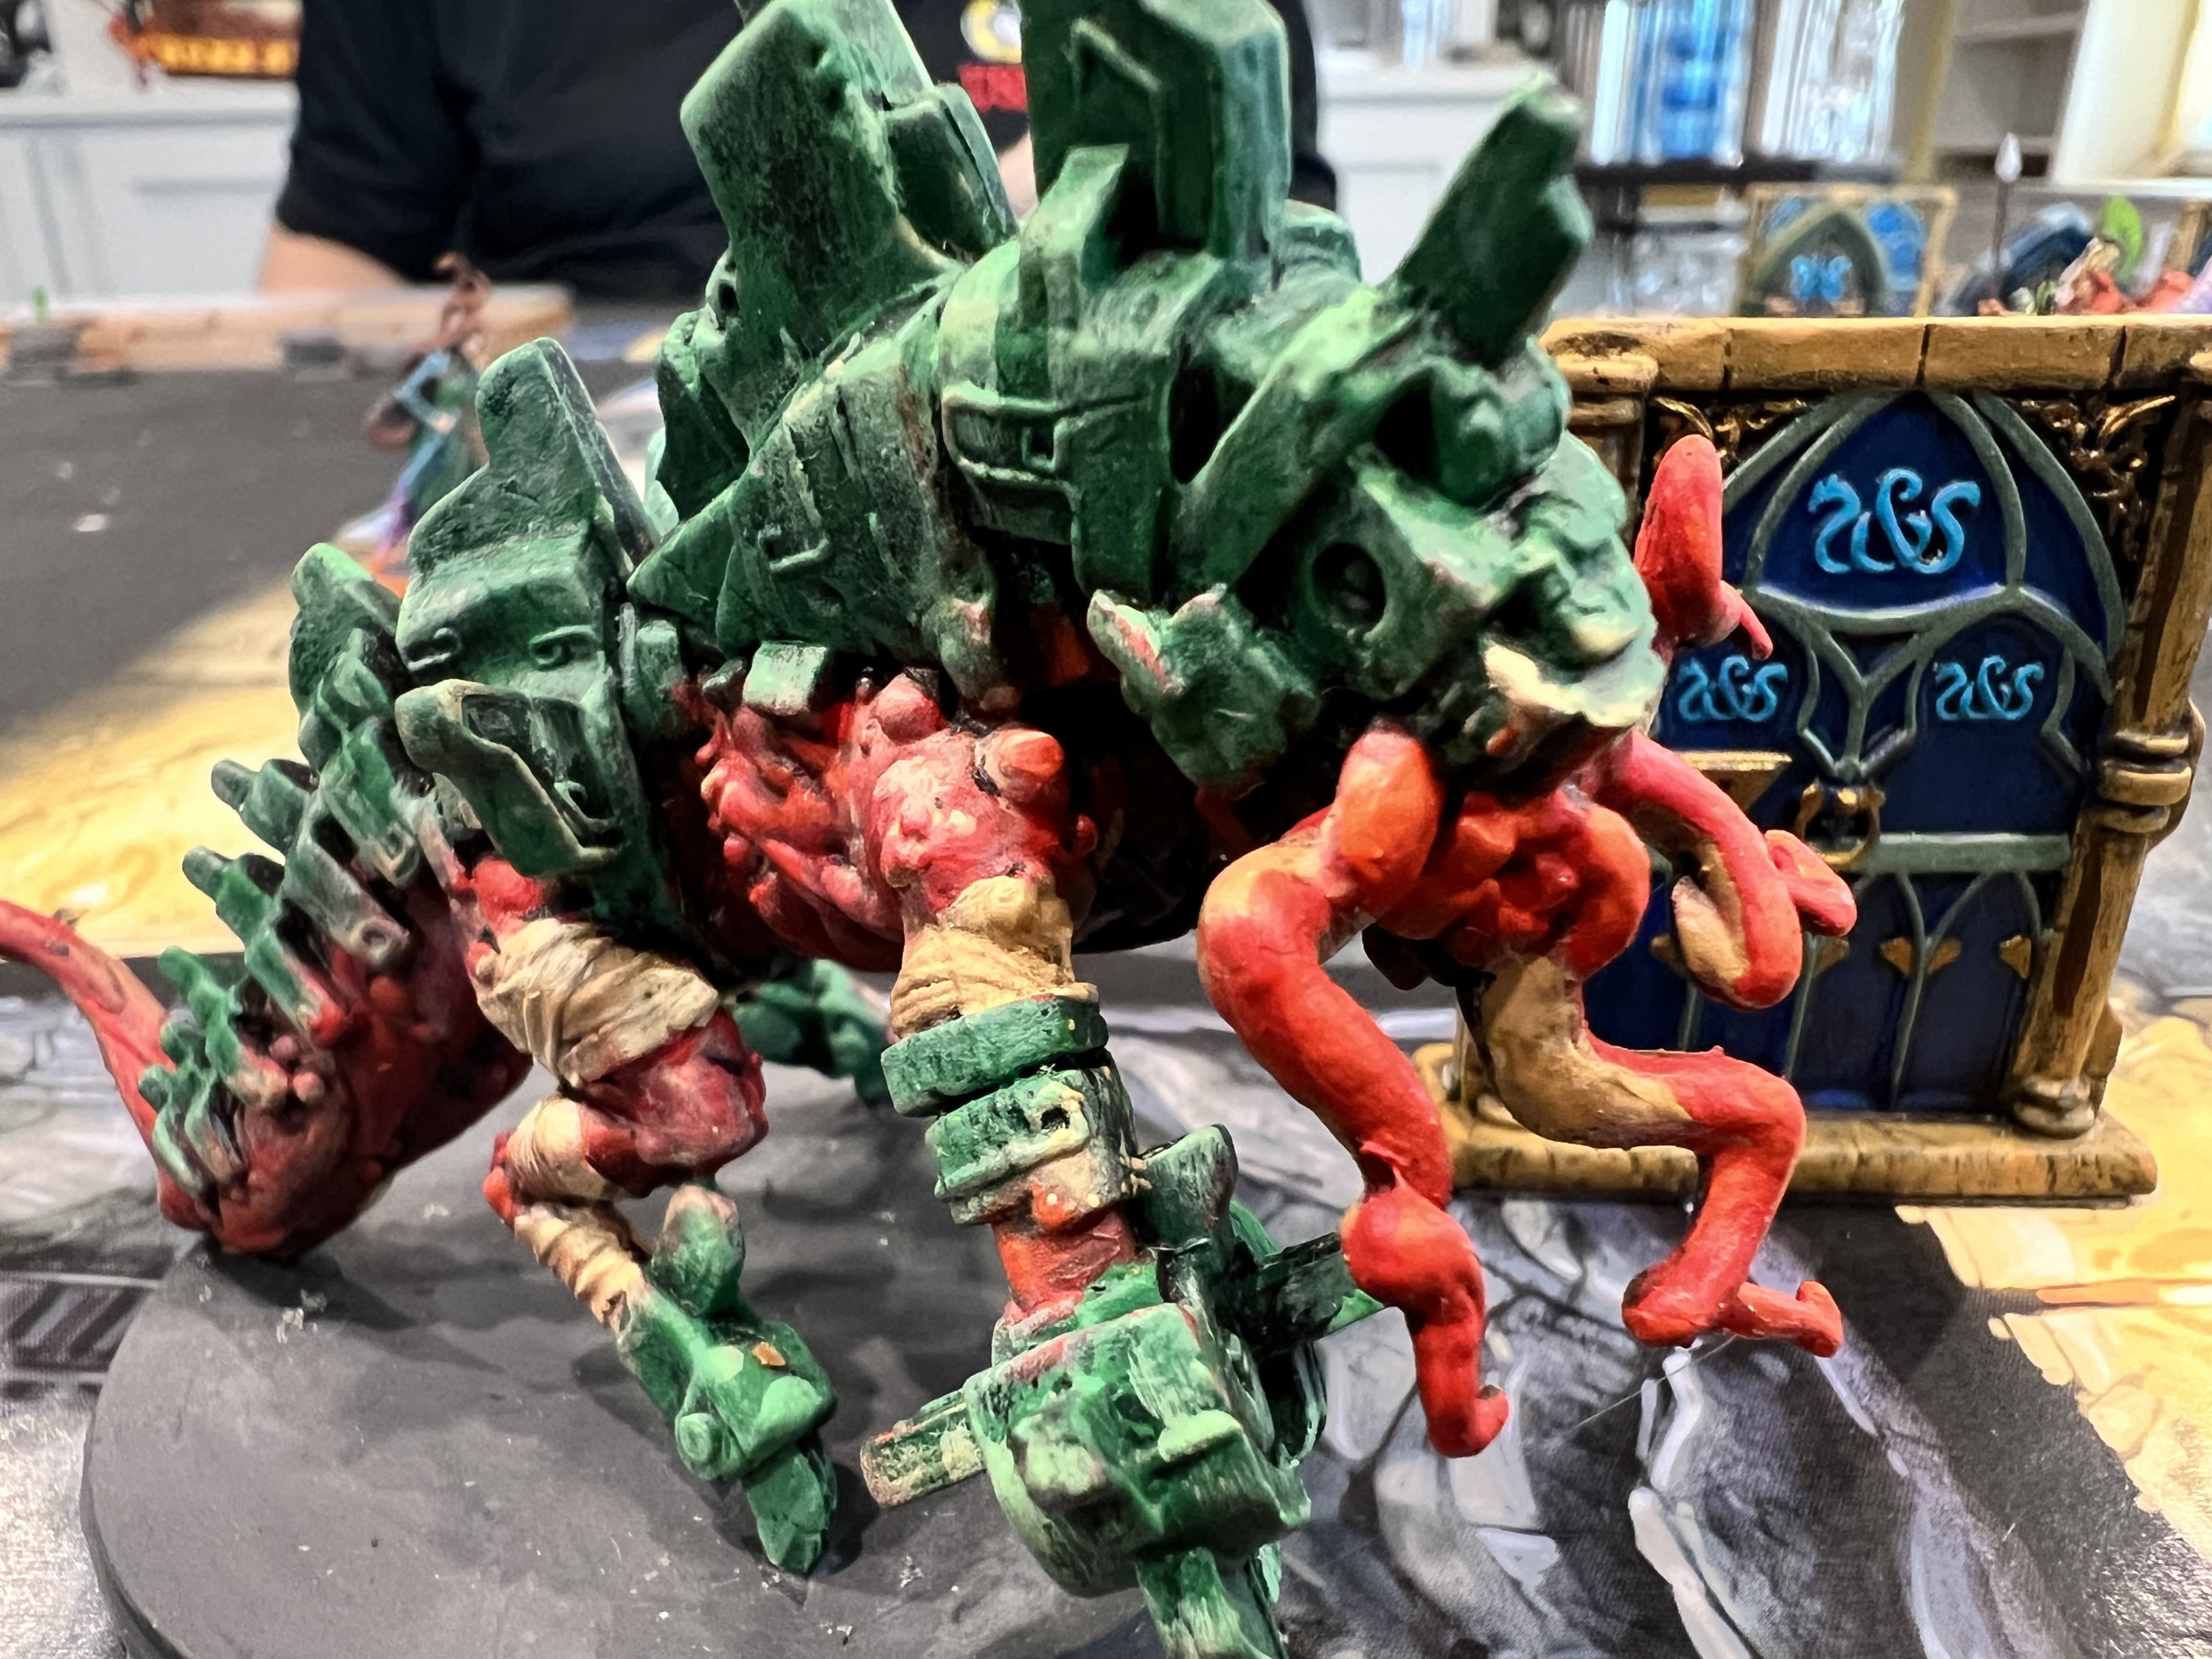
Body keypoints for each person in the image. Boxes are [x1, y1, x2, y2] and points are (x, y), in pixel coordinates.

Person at [263, 0, 1337, 301]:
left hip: (1018, 369)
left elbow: (1275, 227)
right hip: (586, 409)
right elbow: (330, 261)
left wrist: (1062, 189)